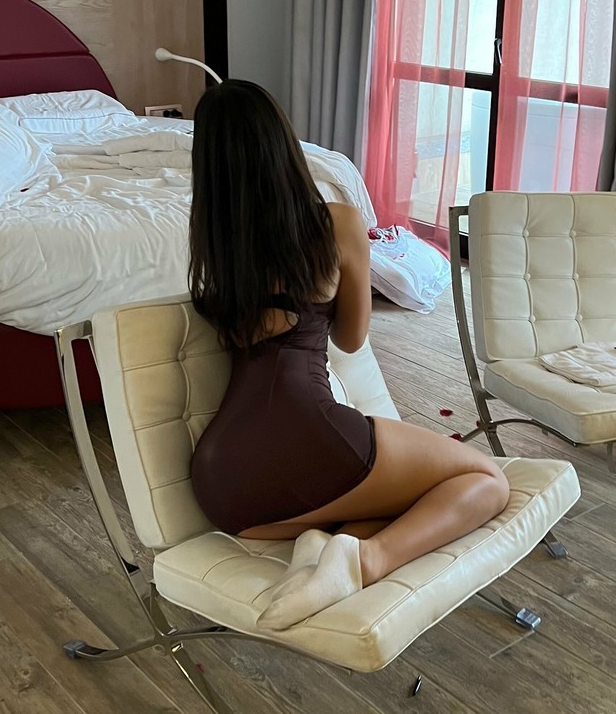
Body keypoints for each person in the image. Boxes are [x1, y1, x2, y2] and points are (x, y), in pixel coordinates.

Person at [188, 80, 510, 629]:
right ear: (284, 145)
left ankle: (320, 549)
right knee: (486, 481)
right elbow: (352, 338)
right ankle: (367, 560)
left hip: (223, 485)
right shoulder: (335, 222)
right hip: (312, 436)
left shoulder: (215, 245)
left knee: (392, 499)